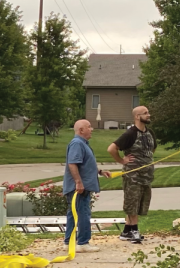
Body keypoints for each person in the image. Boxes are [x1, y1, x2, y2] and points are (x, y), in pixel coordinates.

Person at [107, 105, 156, 244]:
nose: (149, 115)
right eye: (145, 113)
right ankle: (134, 230)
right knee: (132, 202)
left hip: (146, 176)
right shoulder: (130, 134)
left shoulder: (150, 133)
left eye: (148, 112)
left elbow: (153, 148)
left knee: (141, 203)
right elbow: (111, 149)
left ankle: (126, 231)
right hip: (133, 176)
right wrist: (122, 160)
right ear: (137, 116)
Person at [62, 119, 110, 253]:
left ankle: (69, 242)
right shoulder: (77, 143)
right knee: (83, 212)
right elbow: (73, 163)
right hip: (78, 187)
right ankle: (83, 243)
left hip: (79, 185)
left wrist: (100, 171)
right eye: (89, 127)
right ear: (81, 130)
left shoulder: (82, 144)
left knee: (73, 213)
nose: (92, 129)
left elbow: (84, 163)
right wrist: (78, 182)